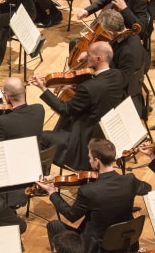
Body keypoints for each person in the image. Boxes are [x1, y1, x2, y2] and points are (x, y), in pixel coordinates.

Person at [37, 138, 151, 253]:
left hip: (97, 248)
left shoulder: (88, 191)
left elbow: (71, 215)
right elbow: (147, 188)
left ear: (97, 161)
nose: (89, 160)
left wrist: (52, 192)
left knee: (54, 225)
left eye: (90, 158)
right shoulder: (130, 180)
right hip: (125, 243)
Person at [32, 42, 126, 171]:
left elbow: (64, 109)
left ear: (99, 59)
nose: (86, 57)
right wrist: (73, 84)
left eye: (89, 55)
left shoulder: (88, 88)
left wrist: (43, 89)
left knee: (40, 137)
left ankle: (42, 180)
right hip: (104, 132)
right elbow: (98, 89)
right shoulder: (118, 75)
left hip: (83, 142)